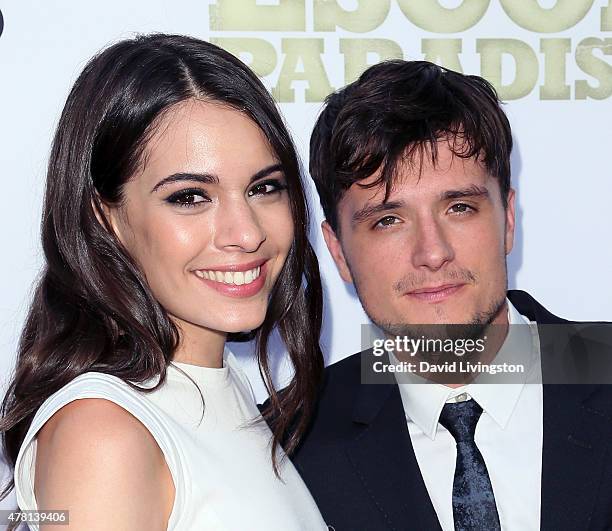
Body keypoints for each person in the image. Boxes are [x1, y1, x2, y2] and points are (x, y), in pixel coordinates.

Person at [0, 34, 328, 530]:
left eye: (264, 188)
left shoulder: (218, 388)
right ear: (105, 217)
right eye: (191, 197)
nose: (247, 233)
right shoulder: (105, 430)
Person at [293, 60, 612, 530]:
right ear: (338, 251)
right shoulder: (291, 446)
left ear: (507, 219)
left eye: (459, 207)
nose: (432, 252)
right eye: (388, 220)